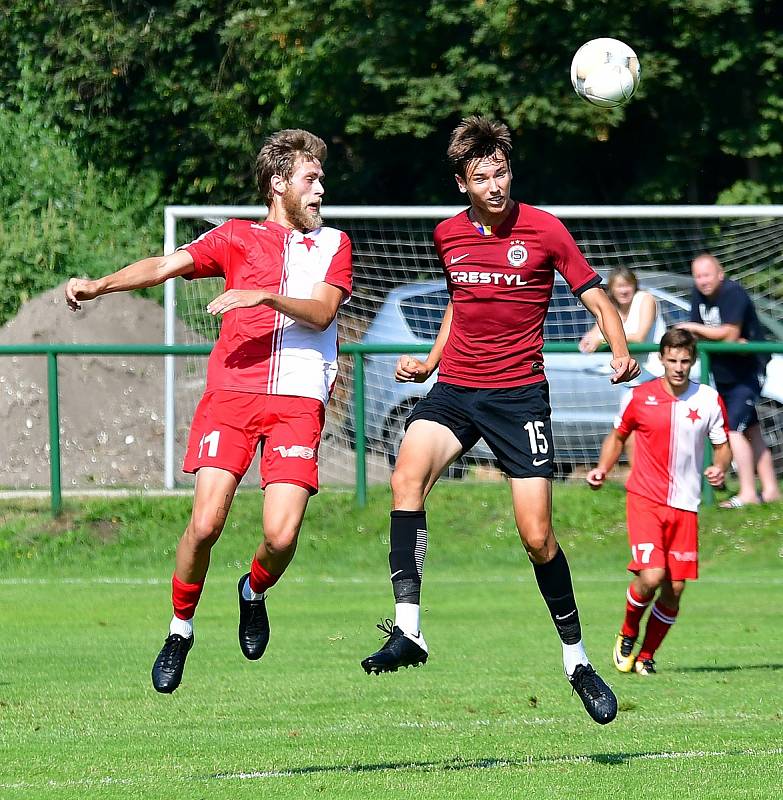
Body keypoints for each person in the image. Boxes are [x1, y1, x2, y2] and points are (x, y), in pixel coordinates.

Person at [360, 115, 640, 725]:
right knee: (406, 476)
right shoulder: (448, 235)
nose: (495, 184)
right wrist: (431, 363)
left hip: (519, 398)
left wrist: (619, 348)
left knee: (536, 536)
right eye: (482, 176)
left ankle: (577, 661)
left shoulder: (544, 229)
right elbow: (459, 305)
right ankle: (409, 630)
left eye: (502, 171)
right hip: (458, 389)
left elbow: (594, 295)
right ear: (462, 181)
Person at [65, 129, 352, 693]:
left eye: (321, 179)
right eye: (310, 179)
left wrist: (263, 296)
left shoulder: (334, 244)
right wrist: (100, 286)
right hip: (232, 395)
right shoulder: (237, 237)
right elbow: (164, 266)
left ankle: (253, 590)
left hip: (298, 402)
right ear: (278, 185)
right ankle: (180, 629)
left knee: (282, 534)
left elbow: (321, 314)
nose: (321, 188)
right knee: (205, 522)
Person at [586, 328, 731, 675]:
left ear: (692, 361)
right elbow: (618, 436)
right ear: (662, 359)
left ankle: (647, 655)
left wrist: (719, 467)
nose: (679, 367)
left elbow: (723, 445)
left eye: (685, 361)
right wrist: (602, 469)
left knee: (674, 588)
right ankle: (627, 631)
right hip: (645, 499)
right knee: (651, 576)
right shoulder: (639, 396)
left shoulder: (708, 399)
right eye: (672, 360)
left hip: (685, 504)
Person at [677, 253, 780, 508]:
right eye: (698, 276)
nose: (702, 281)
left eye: (707, 275)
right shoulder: (698, 295)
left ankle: (747, 493)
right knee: (752, 431)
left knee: (732, 430)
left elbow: (731, 334)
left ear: (720, 274)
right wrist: (713, 336)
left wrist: (695, 328)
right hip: (723, 373)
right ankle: (770, 490)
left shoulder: (734, 293)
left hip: (749, 371)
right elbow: (712, 338)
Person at [579, 265, 665, 373]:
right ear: (611, 288)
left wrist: (601, 340)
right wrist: (588, 339)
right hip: (631, 375)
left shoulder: (645, 299)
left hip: (655, 373)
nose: (623, 291)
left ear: (635, 286)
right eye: (619, 286)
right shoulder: (612, 306)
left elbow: (639, 337)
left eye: (628, 285)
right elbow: (595, 333)